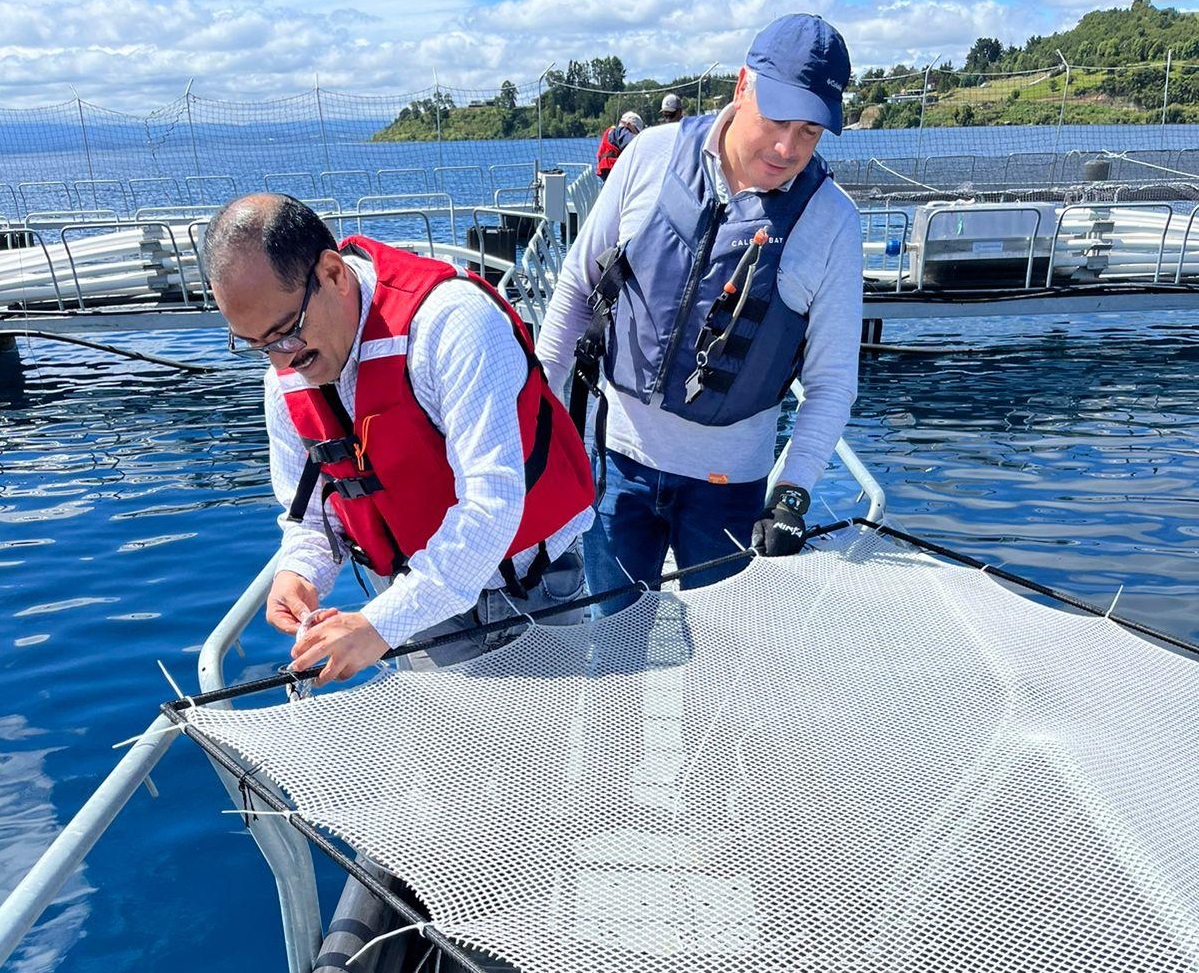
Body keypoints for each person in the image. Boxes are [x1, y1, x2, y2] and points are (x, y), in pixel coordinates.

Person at [535, 13, 863, 615]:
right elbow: (575, 292)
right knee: (612, 645)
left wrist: (791, 495)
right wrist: (538, 440)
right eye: (778, 120)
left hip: (730, 489)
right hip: (618, 469)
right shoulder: (651, 155)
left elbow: (832, 381)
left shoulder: (835, 221)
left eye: (812, 131)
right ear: (743, 86)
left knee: (723, 672)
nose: (788, 148)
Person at [203, 194, 595, 684]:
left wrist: (378, 624)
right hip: (419, 605)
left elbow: (492, 505)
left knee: (545, 753)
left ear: (332, 274)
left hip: (530, 589)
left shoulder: (453, 323)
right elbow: (312, 515)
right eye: (255, 345)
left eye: (286, 333)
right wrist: (300, 573)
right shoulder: (284, 376)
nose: (281, 363)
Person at [595, 111, 644, 182]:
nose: (636, 134)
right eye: (636, 131)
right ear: (628, 125)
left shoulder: (611, 133)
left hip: (607, 173)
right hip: (616, 173)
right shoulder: (620, 132)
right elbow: (634, 142)